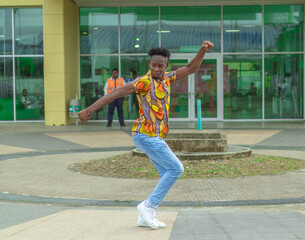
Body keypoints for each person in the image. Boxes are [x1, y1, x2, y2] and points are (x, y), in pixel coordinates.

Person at [78, 40, 214, 229]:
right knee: (176, 169)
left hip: (155, 138)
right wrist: (89, 110)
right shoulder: (143, 82)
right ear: (149, 65)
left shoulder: (167, 78)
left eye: (161, 65)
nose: (157, 68)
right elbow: (117, 92)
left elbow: (191, 68)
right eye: (153, 65)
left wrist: (202, 50)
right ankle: (148, 206)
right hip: (145, 135)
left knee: (167, 172)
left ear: (166, 66)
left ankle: (145, 217)